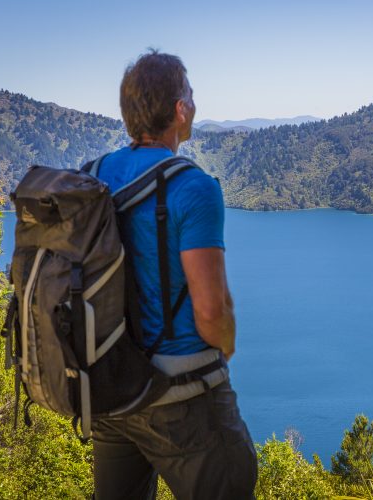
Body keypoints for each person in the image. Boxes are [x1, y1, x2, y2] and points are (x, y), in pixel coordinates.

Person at [90, 50, 257, 499]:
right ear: (181, 110)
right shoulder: (192, 187)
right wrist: (226, 347)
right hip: (182, 396)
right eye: (191, 95)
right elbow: (211, 308)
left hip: (111, 389)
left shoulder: (95, 174)